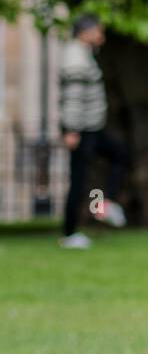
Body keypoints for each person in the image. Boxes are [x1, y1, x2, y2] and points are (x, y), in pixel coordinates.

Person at [58, 15, 130, 248]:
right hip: (82, 130)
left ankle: (103, 205)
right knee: (78, 180)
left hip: (92, 129)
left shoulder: (85, 55)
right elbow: (73, 99)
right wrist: (71, 130)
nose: (102, 37)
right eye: (98, 31)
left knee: (120, 155)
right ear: (84, 32)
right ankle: (69, 234)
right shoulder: (76, 59)